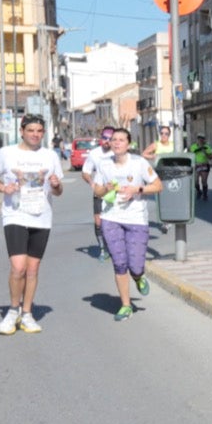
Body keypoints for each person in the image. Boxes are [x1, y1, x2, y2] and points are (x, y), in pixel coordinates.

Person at [0, 113, 65, 335]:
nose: (35, 134)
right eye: (30, 130)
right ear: (22, 131)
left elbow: (58, 192)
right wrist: (4, 188)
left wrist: (56, 184)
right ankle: (12, 311)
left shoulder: (50, 156)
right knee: (18, 267)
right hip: (15, 215)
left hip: (41, 217)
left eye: (39, 131)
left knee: (32, 269)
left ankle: (27, 314)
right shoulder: (7, 153)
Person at [89, 128, 163, 322]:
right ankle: (125, 305)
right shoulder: (104, 165)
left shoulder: (139, 163)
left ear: (128, 144)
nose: (117, 143)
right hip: (111, 218)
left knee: (136, 266)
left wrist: (137, 189)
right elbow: (97, 191)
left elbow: (158, 186)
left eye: (121, 140)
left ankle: (138, 277)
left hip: (136, 219)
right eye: (114, 140)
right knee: (119, 262)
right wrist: (106, 188)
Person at [80, 126, 116, 255]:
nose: (106, 141)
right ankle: (102, 249)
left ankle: (115, 247)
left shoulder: (118, 152)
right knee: (98, 222)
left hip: (115, 192)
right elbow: (85, 172)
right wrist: (92, 183)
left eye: (110, 138)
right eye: (104, 138)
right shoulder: (94, 153)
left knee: (115, 221)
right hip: (100, 191)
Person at [189, 134, 212, 201]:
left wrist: (205, 152)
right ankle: (199, 191)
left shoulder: (207, 147)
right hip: (196, 165)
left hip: (204, 165)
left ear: (204, 139)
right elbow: (190, 155)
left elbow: (211, 157)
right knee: (196, 182)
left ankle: (205, 194)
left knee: (204, 181)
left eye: (202, 138)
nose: (200, 140)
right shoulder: (193, 146)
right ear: (197, 139)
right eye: (199, 138)